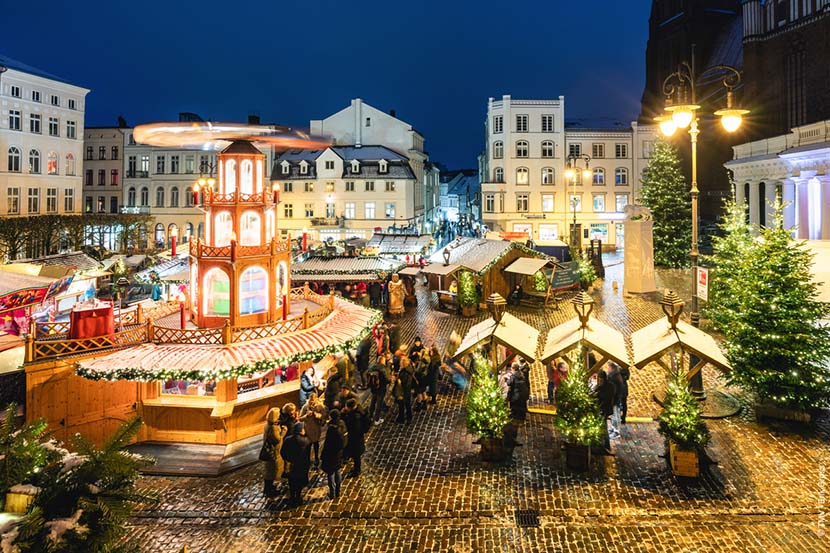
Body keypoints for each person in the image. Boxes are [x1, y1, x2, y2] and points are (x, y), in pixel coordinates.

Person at [280, 421, 311, 506]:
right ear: (301, 430)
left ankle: (293, 497)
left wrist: (288, 460)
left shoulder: (287, 440)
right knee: (299, 482)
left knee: (292, 482)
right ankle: (298, 497)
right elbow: (307, 456)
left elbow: (283, 452)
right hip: (301, 466)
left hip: (291, 465)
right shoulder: (306, 441)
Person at [260, 408, 287, 498]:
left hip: (273, 452)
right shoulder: (273, 427)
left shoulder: (270, 424)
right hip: (273, 452)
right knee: (271, 471)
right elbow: (277, 439)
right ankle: (269, 490)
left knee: (270, 471)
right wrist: (284, 431)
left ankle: (269, 488)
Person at [320, 409, 348, 499]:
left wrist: (323, 454)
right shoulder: (342, 424)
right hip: (339, 453)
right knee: (338, 471)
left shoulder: (332, 429)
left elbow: (328, 443)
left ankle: (332, 493)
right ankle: (338, 491)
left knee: (330, 473)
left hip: (331, 454)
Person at [342, 397, 370, 477]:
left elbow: (352, 428)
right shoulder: (358, 411)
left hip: (356, 440)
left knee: (356, 456)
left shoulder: (354, 416)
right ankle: (356, 469)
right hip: (357, 439)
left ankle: (356, 471)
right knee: (356, 455)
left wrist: (343, 415)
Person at [590, 370, 617, 454]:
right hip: (601, 409)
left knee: (603, 428)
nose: (598, 380)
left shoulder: (609, 387)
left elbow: (605, 398)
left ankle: (604, 446)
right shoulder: (604, 386)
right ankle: (602, 445)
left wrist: (596, 395)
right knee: (602, 427)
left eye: (599, 378)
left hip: (603, 410)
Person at [299, 392, 327, 467]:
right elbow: (300, 418)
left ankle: (316, 458)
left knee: (316, 444)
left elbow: (323, 416)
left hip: (316, 429)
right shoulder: (305, 407)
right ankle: (307, 459)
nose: (312, 403)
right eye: (311, 401)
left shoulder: (320, 407)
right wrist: (306, 416)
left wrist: (316, 415)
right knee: (308, 446)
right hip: (308, 428)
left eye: (313, 401)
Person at [394, 357, 414, 424]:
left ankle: (403, 418)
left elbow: (406, 383)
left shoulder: (405, 372)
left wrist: (399, 381)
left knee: (403, 405)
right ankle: (406, 417)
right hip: (406, 391)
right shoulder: (408, 369)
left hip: (403, 391)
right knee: (406, 404)